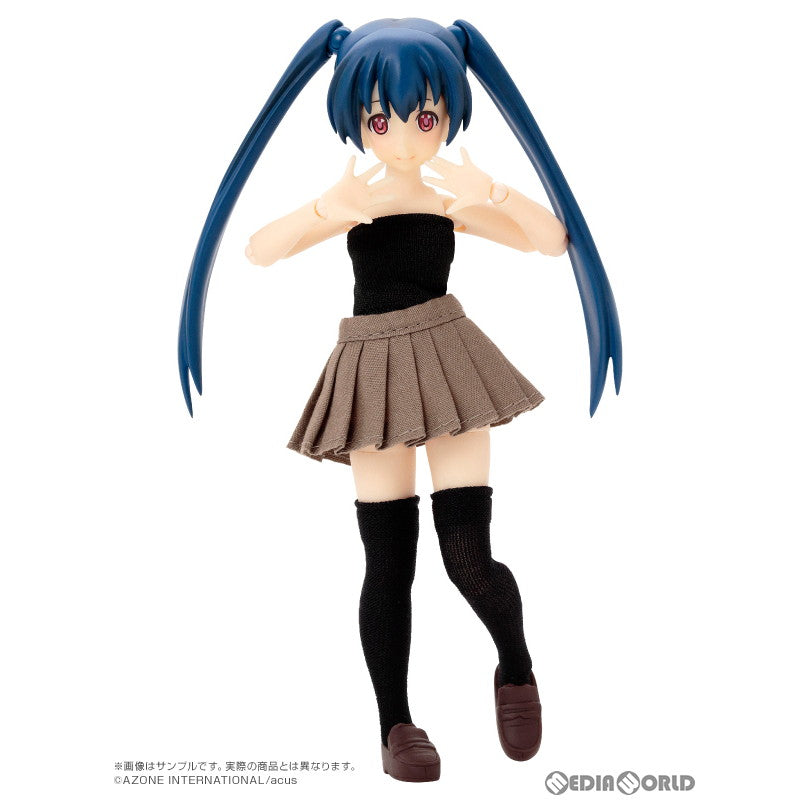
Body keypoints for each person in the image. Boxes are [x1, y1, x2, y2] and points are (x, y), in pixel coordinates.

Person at [178, 17, 621, 783]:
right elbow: (258, 249)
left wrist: (494, 191)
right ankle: (395, 724)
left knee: (467, 555)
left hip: (449, 363)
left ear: (448, 114)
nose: (409, 140)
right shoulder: (359, 198)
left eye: (427, 118)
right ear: (357, 120)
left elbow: (550, 242)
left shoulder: (448, 197)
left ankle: (515, 666)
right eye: (382, 121)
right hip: (372, 373)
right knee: (388, 564)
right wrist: (329, 207)